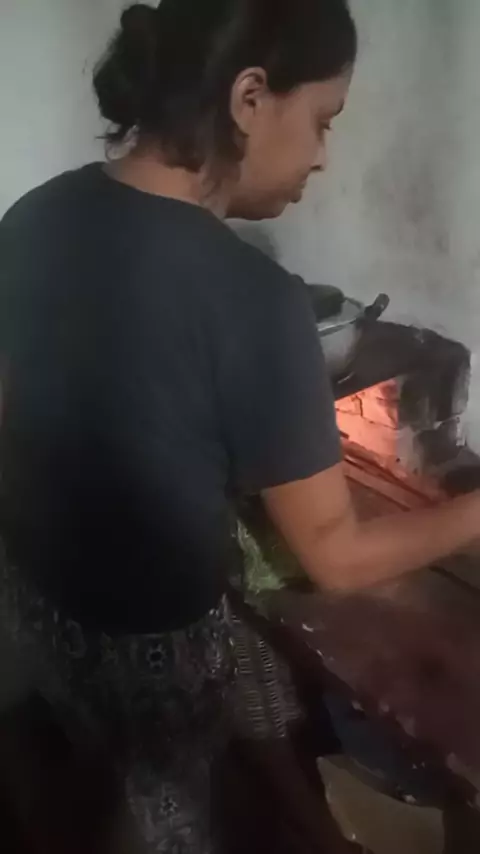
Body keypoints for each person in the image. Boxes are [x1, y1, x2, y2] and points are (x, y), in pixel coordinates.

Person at [1, 0, 480, 851]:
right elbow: (337, 559)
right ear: (250, 98)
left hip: (31, 607)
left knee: (233, 702)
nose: (323, 156)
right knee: (173, 816)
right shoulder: (252, 298)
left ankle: (306, 821)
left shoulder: (33, 216)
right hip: (152, 655)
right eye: (324, 120)